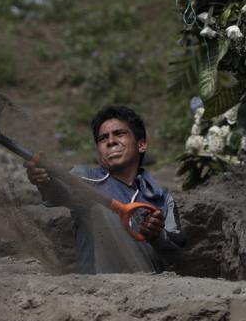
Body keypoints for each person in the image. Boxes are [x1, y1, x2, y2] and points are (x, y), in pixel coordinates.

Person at [24, 105, 184, 274]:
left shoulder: (162, 199)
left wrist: (157, 236)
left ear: (141, 145)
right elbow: (60, 191)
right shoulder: (85, 179)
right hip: (101, 293)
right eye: (102, 138)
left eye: (119, 134)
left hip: (148, 295)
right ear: (99, 152)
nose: (111, 141)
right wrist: (45, 181)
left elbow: (179, 255)